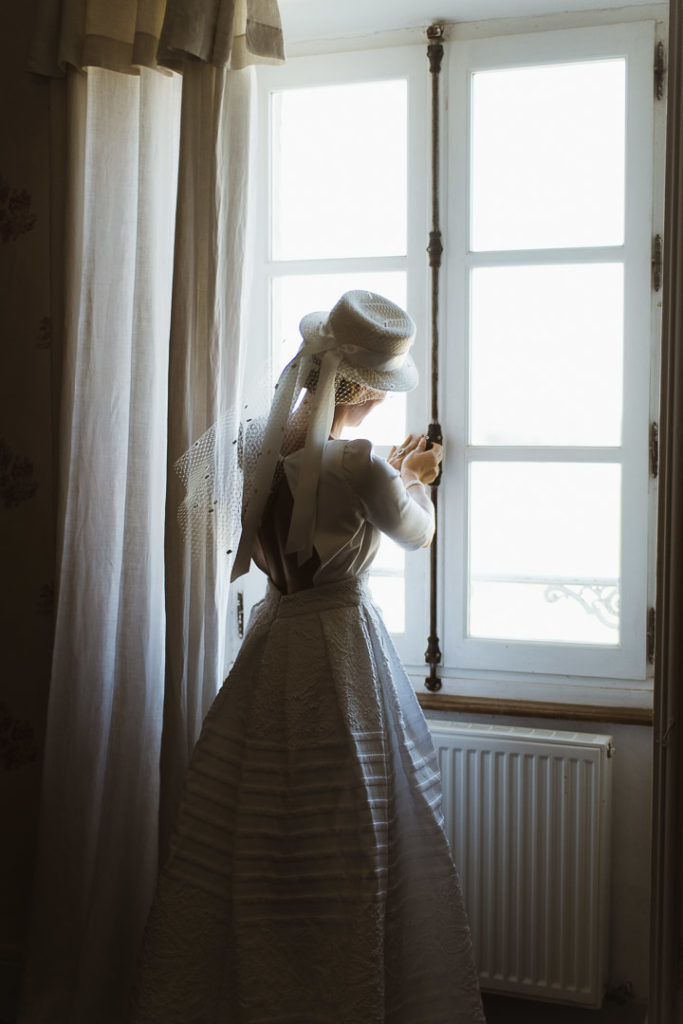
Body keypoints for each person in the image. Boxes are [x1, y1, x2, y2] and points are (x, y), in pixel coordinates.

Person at [131, 291, 485, 1023]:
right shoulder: (360, 463)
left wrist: (385, 476)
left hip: (274, 637)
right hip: (341, 645)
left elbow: (238, 504)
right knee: (353, 812)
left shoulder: (251, 444)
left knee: (261, 808)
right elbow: (416, 534)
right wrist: (415, 474)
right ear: (367, 389)